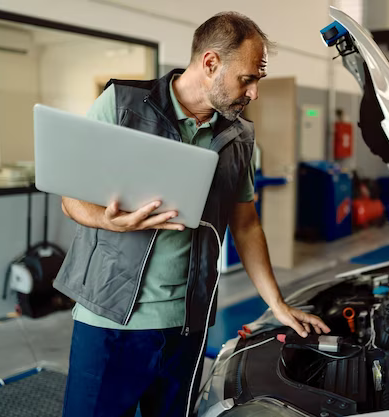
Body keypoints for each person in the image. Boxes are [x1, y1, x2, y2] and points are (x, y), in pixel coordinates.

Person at [55, 11, 330, 417]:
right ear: (211, 63)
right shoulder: (122, 104)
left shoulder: (239, 136)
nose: (254, 93)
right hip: (111, 321)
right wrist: (106, 220)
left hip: (188, 324)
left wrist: (277, 303)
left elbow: (246, 223)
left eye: (258, 80)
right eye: (247, 79)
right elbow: (71, 197)